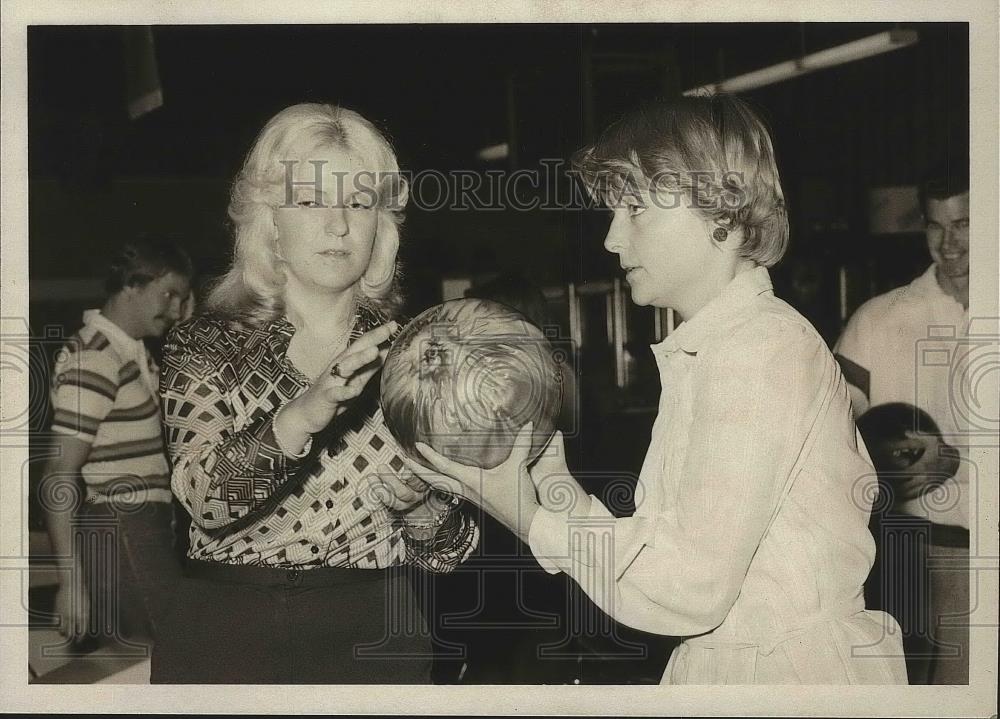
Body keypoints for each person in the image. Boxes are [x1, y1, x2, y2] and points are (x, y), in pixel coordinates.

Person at [406, 94, 908, 685]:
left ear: (720, 211)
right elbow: (659, 560)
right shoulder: (720, 347)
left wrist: (520, 511)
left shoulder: (759, 350)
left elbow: (689, 589)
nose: (612, 240)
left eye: (636, 210)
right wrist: (552, 485)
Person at [151, 103, 478, 684]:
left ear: (383, 223)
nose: (339, 225)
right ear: (269, 222)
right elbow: (203, 502)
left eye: (358, 202)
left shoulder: (420, 355)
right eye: (311, 201)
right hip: (226, 632)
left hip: (376, 631)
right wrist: (303, 414)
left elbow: (452, 552)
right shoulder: (204, 344)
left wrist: (424, 512)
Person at [834, 162, 971, 684]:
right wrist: (886, 463)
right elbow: (832, 435)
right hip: (926, 549)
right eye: (936, 225)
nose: (948, 243)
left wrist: (961, 458)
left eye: (965, 224)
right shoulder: (878, 320)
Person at [39, 236, 193, 649]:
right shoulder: (94, 356)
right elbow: (58, 471)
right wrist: (70, 583)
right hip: (123, 524)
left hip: (141, 526)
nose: (178, 309)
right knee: (171, 656)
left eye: (185, 298)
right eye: (169, 294)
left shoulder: (131, 353)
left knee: (154, 663)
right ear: (131, 284)